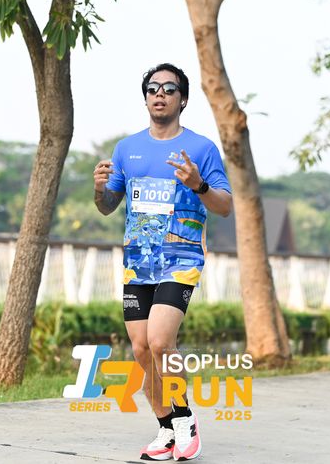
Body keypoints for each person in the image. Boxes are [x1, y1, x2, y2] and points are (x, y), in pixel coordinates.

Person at [93, 63, 232, 461]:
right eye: (153, 88)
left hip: (180, 259)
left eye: (170, 89)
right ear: (146, 98)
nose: (160, 94)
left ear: (182, 100)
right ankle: (166, 427)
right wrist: (99, 189)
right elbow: (107, 206)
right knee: (140, 349)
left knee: (159, 341)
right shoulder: (126, 149)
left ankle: (185, 418)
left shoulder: (201, 149)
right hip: (139, 261)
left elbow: (224, 206)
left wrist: (198, 185)